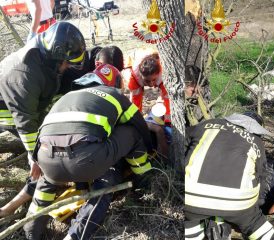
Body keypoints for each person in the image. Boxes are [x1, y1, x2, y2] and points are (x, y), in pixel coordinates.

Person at [23, 63, 153, 239]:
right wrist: (151, 147)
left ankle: (31, 231)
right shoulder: (114, 95)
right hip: (85, 160)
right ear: (114, 84)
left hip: (46, 158)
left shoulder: (68, 96)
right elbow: (138, 125)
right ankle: (145, 181)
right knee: (127, 140)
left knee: (45, 186)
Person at [0, 22, 85, 217]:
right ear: (56, 56)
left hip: (28, 109)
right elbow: (25, 121)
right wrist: (34, 156)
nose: (67, 67)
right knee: (46, 158)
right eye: (66, 63)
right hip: (12, 114)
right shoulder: (23, 74)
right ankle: (9, 209)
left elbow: (48, 93)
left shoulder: (43, 56)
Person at [184, 112, 274, 240]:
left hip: (192, 196)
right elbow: (262, 179)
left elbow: (183, 146)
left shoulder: (207, 124)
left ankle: (193, 230)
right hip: (237, 203)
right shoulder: (257, 141)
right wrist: (255, 208)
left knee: (191, 219)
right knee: (254, 223)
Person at [122, 48, 171, 124]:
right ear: (141, 76)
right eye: (147, 81)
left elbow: (168, 99)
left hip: (152, 56)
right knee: (136, 94)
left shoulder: (164, 73)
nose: (151, 84)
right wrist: (137, 121)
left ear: (158, 74)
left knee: (166, 93)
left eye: (154, 80)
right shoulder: (134, 77)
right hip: (132, 60)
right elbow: (135, 101)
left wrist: (168, 121)